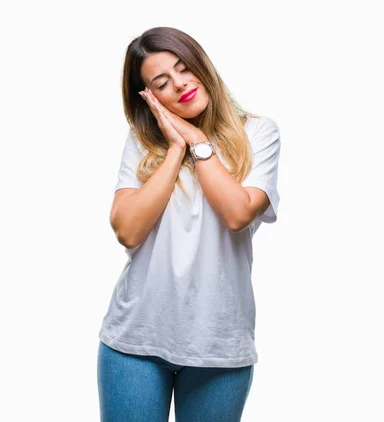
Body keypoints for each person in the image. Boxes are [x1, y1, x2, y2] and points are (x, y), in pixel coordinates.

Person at [96, 26, 281, 422]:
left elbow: (237, 214)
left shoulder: (258, 134)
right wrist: (174, 147)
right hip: (135, 342)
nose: (180, 85)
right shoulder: (142, 143)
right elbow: (127, 230)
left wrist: (196, 139)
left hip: (219, 344)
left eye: (184, 69)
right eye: (162, 82)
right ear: (148, 98)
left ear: (201, 65)